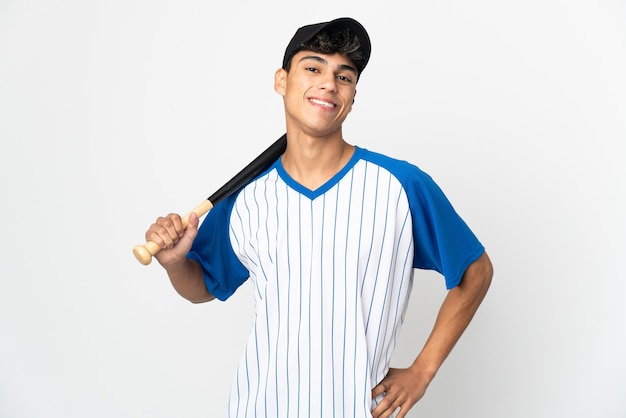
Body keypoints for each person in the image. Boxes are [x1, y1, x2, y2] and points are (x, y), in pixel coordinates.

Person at [144, 17, 493, 418]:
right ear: (282, 80)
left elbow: (476, 271)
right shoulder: (244, 198)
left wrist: (422, 371)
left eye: (344, 76)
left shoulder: (401, 185)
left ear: (352, 95)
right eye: (313, 67)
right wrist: (173, 263)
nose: (329, 83)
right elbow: (202, 285)